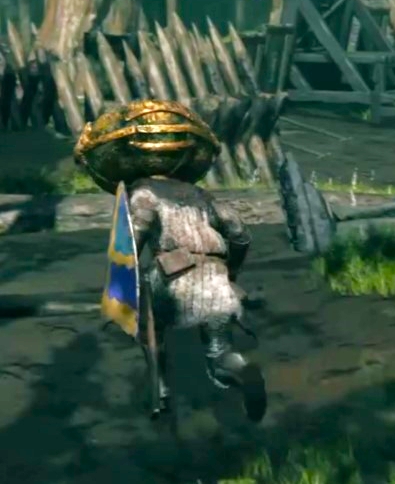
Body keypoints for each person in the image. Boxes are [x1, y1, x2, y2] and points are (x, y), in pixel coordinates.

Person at [75, 99, 267, 422]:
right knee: (219, 352)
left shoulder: (144, 193)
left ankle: (161, 386)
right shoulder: (202, 196)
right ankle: (241, 370)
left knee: (149, 323)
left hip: (174, 278)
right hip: (218, 280)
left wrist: (126, 289)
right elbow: (240, 234)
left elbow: (134, 240)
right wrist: (230, 273)